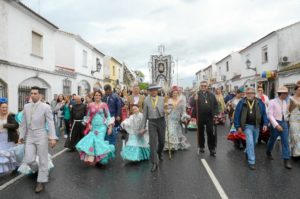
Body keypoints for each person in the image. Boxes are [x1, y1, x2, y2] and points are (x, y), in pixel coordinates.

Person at [18, 86, 57, 193]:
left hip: (41, 135)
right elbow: (23, 123)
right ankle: (39, 170)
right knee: (29, 159)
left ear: (40, 95)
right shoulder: (26, 107)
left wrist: (52, 138)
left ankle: (41, 181)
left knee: (43, 159)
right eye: (32, 93)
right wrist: (21, 136)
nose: (33, 95)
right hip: (30, 136)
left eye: (35, 93)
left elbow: (50, 123)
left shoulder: (46, 107)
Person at [76, 91, 115, 166]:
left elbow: (108, 116)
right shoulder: (90, 105)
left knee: (99, 141)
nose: (97, 96)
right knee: (93, 142)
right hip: (93, 127)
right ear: (93, 96)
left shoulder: (104, 105)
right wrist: (88, 124)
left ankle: (101, 160)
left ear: (101, 96)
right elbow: (88, 116)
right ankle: (95, 159)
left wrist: (110, 127)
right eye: (96, 95)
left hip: (102, 127)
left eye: (99, 95)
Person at [234, 87, 268, 170]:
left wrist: (265, 124)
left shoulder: (260, 102)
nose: (249, 94)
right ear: (245, 94)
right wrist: (237, 126)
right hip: (246, 126)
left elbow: (264, 114)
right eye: (248, 93)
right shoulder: (241, 102)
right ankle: (251, 161)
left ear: (254, 94)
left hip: (257, 126)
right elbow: (237, 115)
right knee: (250, 142)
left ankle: (247, 151)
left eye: (251, 93)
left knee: (255, 141)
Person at [139, 84, 166, 172]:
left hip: (161, 121)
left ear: (157, 91)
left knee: (162, 141)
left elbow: (166, 110)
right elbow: (144, 115)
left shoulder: (162, 99)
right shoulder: (146, 100)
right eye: (152, 90)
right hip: (151, 122)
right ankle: (154, 162)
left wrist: (167, 111)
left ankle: (159, 152)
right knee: (153, 142)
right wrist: (142, 127)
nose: (154, 91)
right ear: (149, 91)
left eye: (155, 90)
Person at [266, 86, 292, 169]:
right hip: (275, 123)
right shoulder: (272, 102)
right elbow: (269, 115)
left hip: (284, 123)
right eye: (285, 93)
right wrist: (276, 125)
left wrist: (288, 120)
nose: (287, 95)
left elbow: (286, 112)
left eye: (287, 93)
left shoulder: (286, 102)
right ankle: (268, 151)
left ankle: (286, 160)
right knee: (272, 140)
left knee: (285, 142)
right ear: (281, 93)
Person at [193, 81, 218, 156]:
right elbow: (192, 104)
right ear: (200, 87)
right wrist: (195, 99)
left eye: (205, 86)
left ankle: (212, 149)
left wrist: (215, 114)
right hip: (200, 116)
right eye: (202, 86)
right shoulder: (197, 94)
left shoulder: (212, 95)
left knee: (210, 132)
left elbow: (216, 105)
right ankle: (201, 146)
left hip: (209, 116)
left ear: (207, 87)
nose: (203, 87)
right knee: (200, 132)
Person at [164, 86, 190, 151]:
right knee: (171, 132)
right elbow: (165, 109)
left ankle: (176, 145)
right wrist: (166, 110)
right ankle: (171, 146)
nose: (175, 94)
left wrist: (184, 116)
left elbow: (183, 111)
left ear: (178, 93)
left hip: (177, 119)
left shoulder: (181, 101)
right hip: (170, 119)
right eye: (173, 93)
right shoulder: (168, 100)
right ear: (171, 94)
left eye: (176, 93)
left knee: (177, 133)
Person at [0, 98, 20, 174]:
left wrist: (5, 125)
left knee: (10, 154)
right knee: (1, 154)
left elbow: (16, 125)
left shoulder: (10, 115)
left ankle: (16, 167)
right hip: (1, 138)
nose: (4, 109)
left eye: (6, 107)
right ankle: (1, 170)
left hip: (9, 138)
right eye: (3, 107)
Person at [288, 85, 300, 158]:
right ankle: (295, 153)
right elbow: (288, 110)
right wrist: (287, 119)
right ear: (295, 90)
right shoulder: (291, 99)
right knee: (294, 135)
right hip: (293, 119)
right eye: (299, 89)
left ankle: (296, 152)